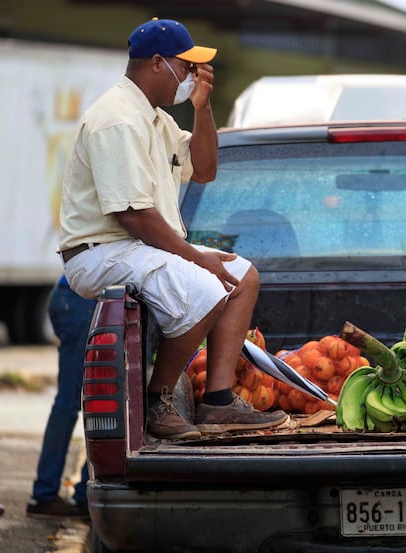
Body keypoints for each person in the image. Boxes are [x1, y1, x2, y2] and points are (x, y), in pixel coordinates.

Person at [57, 17, 287, 440]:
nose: (192, 76)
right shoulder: (118, 118)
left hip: (139, 247)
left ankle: (218, 402)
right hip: (101, 252)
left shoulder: (155, 119)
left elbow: (204, 169)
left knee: (242, 276)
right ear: (158, 63)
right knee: (207, 287)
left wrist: (202, 106)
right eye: (186, 67)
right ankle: (159, 401)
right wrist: (196, 257)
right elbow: (133, 216)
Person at [26, 274, 95, 519]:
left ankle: (56, 494)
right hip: (82, 301)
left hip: (74, 299)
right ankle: (47, 494)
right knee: (82, 403)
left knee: (77, 401)